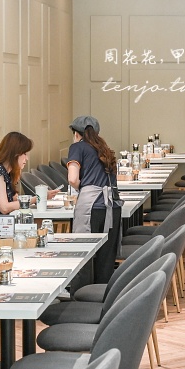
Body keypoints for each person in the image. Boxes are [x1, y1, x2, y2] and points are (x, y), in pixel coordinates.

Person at [67, 115, 123, 283]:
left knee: (84, 255)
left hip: (91, 208)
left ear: (76, 134)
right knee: (106, 259)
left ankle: (82, 294)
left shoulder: (77, 147)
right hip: (112, 205)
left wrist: (83, 188)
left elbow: (72, 178)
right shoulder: (105, 149)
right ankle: (103, 294)